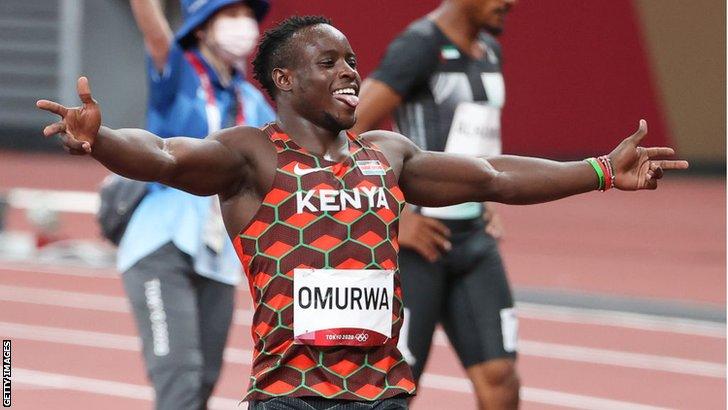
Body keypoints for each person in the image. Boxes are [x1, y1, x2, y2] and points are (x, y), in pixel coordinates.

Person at [36, 16, 687, 410]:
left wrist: (599, 170)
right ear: (286, 80)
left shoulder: (387, 153)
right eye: (330, 62)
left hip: (381, 396)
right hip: (290, 396)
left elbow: (492, 177)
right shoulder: (252, 155)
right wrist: (103, 139)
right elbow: (166, 157)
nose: (351, 72)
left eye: (352, 60)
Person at [351, 0, 520, 407]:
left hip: (473, 239)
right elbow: (349, 131)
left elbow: (475, 141)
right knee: (396, 383)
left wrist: (481, 197)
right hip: (415, 247)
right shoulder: (419, 46)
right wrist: (394, 218)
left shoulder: (489, 50)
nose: (510, 3)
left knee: (502, 377)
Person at [121, 1, 274, 409]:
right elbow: (154, 31)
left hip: (220, 255)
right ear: (202, 28)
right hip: (162, 246)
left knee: (204, 383)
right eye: (230, 14)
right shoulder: (179, 71)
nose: (244, 25)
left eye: (248, 15)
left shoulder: (253, 103)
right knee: (180, 384)